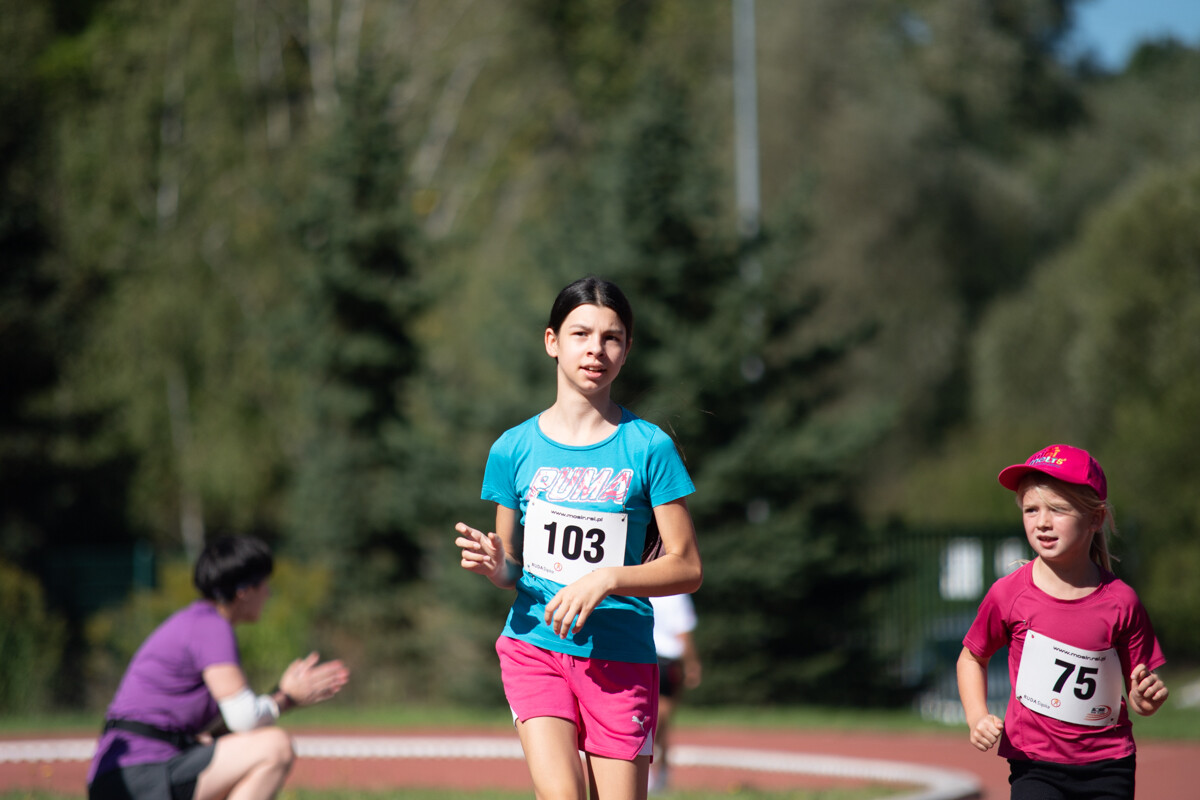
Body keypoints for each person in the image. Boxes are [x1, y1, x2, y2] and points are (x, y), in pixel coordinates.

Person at [455, 276, 703, 800]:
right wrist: (495, 564)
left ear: (627, 350)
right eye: (581, 334)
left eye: (612, 337)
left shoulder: (649, 447)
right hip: (534, 645)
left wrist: (607, 579)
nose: (596, 349)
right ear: (552, 342)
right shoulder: (512, 448)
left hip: (620, 656)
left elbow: (687, 567)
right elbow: (512, 572)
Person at [956, 444, 1169, 800]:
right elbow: (971, 657)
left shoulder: (1122, 601)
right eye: (1031, 510)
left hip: (1108, 766)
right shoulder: (1008, 594)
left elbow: (1140, 693)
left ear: (1095, 518)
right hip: (1034, 765)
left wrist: (1147, 698)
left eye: (1058, 509)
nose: (1042, 522)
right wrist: (977, 717)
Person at [88, 535, 350, 800]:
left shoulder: (196, 621)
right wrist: (287, 697)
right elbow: (245, 718)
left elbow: (224, 727)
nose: (268, 593)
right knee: (275, 747)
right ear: (244, 590)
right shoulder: (211, 627)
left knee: (231, 746)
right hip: (140, 777)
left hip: (128, 775)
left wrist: (281, 697)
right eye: (264, 584)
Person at [647, 592, 701, 794]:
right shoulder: (677, 594)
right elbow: (683, 632)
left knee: (647, 720)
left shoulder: (641, 587)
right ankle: (657, 772)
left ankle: (658, 772)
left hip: (644, 656)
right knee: (662, 721)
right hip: (667, 661)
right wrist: (692, 663)